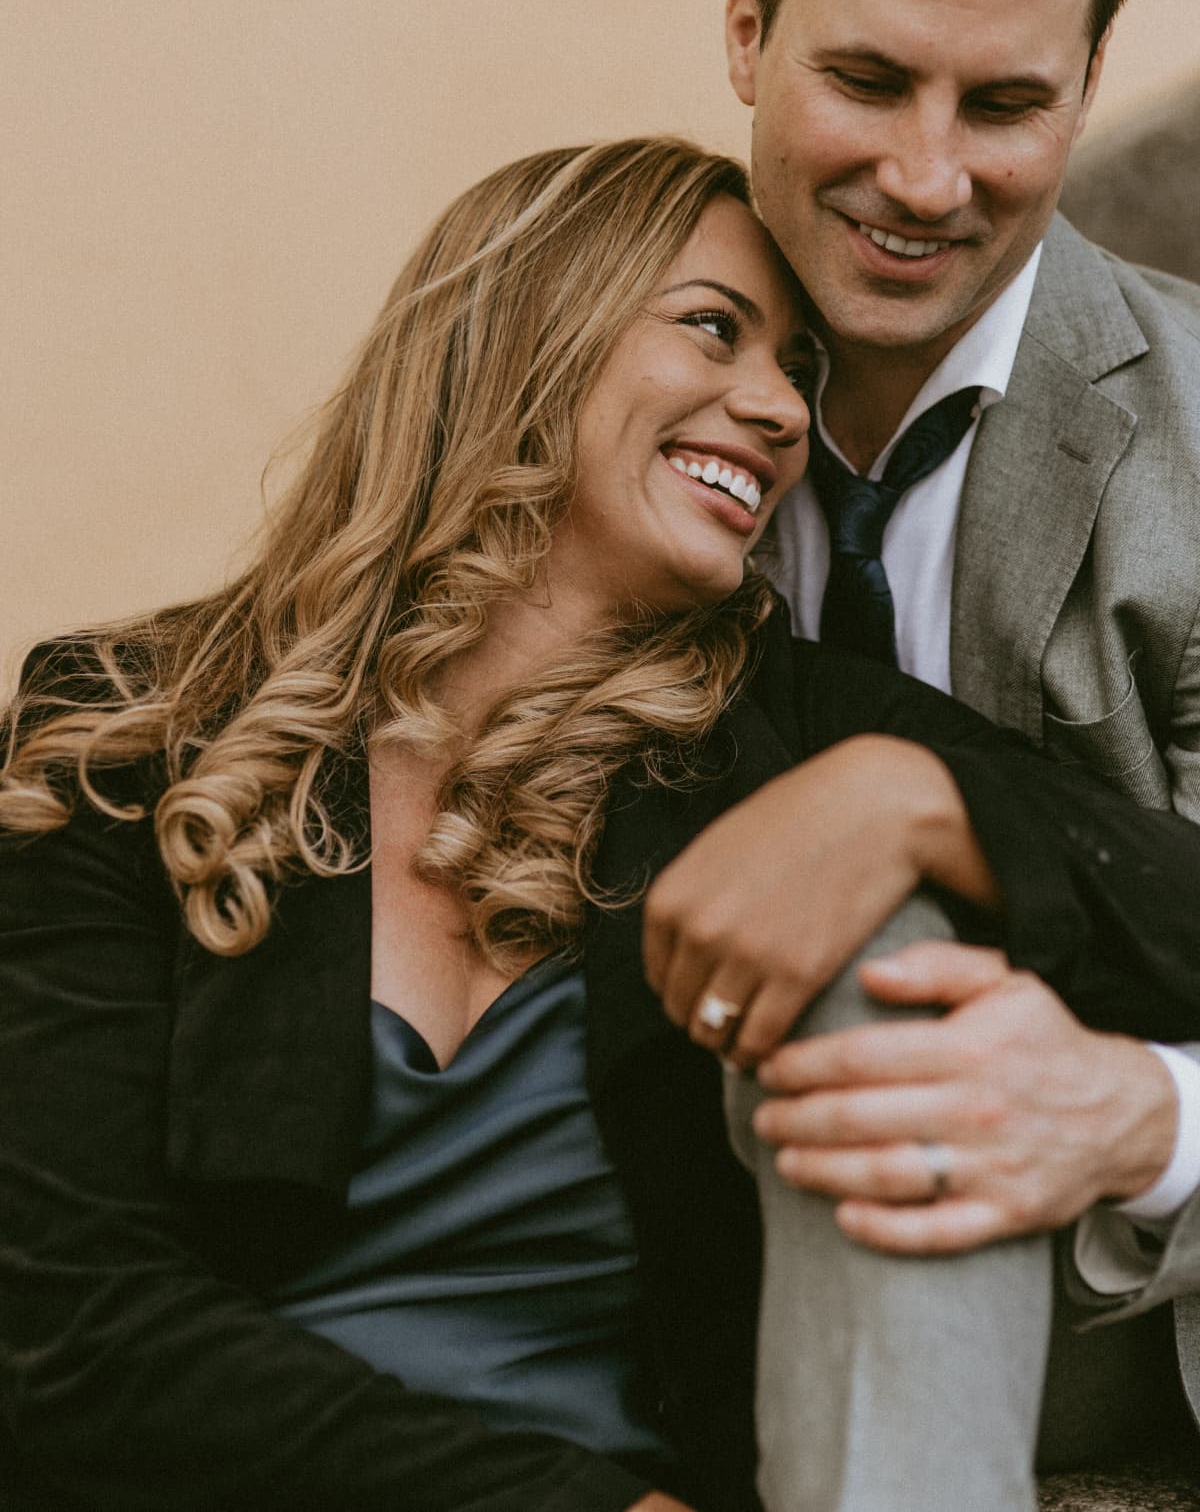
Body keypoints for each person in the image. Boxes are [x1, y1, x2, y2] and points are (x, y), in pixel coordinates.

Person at [7, 136, 1200, 1511]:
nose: (776, 412)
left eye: (798, 375)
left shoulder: (791, 728)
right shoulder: (127, 729)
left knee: (897, 942)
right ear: (526, 333)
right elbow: (67, 1321)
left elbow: (1172, 903)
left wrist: (924, 801)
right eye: (713, 331)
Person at [641, 0, 1200, 1507]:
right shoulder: (602, 380)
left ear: (1090, 81)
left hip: (1133, 1326)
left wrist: (1145, 1115)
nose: (930, 179)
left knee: (900, 1010)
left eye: (1009, 102)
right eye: (870, 82)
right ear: (746, 26)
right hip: (667, 1303)